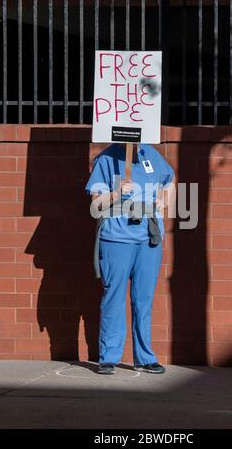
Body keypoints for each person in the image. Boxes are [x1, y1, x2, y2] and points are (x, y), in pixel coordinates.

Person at [85, 142, 175, 375]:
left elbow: (170, 180)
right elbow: (96, 203)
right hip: (117, 237)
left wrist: (165, 201)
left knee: (143, 299)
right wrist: (116, 193)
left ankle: (145, 357)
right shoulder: (106, 159)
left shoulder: (150, 154)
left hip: (148, 238)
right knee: (114, 295)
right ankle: (109, 357)